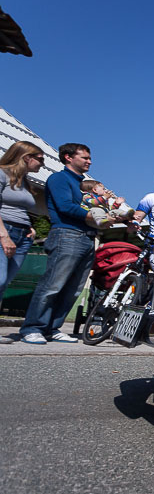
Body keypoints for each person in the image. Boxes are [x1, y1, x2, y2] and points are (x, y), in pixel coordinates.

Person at [19, 144, 96, 344]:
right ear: (68, 157)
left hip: (87, 236)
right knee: (52, 285)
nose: (89, 161)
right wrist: (95, 215)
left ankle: (53, 328)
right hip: (67, 234)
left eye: (89, 158)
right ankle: (33, 327)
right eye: (84, 157)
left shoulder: (82, 184)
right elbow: (65, 206)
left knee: (73, 289)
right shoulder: (59, 179)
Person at [0, 142, 45, 344]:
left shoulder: (25, 182)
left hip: (22, 234)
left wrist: (30, 227)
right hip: (4, 231)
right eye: (40, 159)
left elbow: (23, 209)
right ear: (27, 157)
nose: (42, 164)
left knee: (5, 283)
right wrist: (4, 236)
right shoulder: (1, 174)